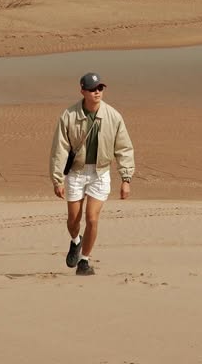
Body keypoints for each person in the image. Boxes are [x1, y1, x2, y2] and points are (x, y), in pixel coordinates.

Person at [49, 71, 135, 276]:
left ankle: (84, 261)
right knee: (73, 221)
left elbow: (124, 148)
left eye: (99, 89)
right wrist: (57, 179)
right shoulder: (69, 116)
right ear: (82, 91)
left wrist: (126, 178)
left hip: (101, 173)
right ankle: (75, 241)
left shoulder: (114, 116)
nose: (97, 92)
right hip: (77, 173)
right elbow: (59, 148)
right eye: (92, 89)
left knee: (92, 219)